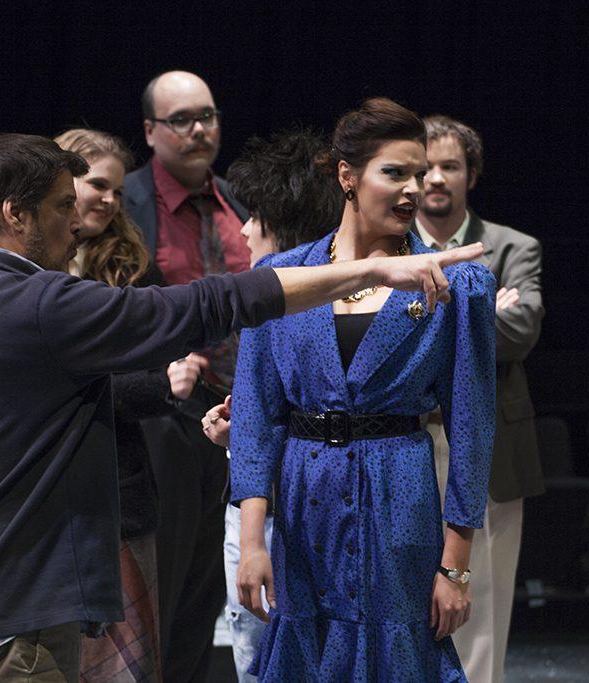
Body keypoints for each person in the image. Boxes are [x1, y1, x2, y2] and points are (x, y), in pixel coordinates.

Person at [0, 131, 484, 682]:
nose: (77, 224)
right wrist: (368, 272)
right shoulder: (41, 305)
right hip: (16, 629)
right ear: (14, 213)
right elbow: (202, 307)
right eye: (62, 207)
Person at [231, 98, 498, 681]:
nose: (414, 190)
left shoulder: (459, 283)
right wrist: (254, 542)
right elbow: (256, 415)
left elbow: (472, 431)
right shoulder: (286, 277)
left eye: (420, 174)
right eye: (394, 173)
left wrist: (455, 568)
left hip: (398, 492)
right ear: (347, 176)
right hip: (304, 505)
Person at [199, 128, 343, 681]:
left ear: (282, 227)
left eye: (255, 215)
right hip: (263, 511)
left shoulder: (301, 306)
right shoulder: (268, 303)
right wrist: (241, 435)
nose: (243, 229)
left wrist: (251, 440)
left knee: (271, 664)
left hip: (299, 514)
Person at [122, 70, 250, 681]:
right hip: (164, 419)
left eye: (208, 115)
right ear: (149, 131)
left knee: (209, 593)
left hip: (237, 418)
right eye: (181, 119)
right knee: (164, 589)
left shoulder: (238, 202)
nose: (199, 129)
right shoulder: (123, 204)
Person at [416, 114, 545, 683]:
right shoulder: (387, 248)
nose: (436, 178)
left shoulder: (513, 247)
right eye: (426, 168)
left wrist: (425, 319)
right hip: (406, 439)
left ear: (472, 175)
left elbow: (520, 333)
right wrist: (478, 312)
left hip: (490, 444)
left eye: (450, 166)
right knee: (407, 591)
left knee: (483, 600)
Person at [54, 127, 165, 682]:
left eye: (119, 192)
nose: (109, 201)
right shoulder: (25, 268)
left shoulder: (133, 267)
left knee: (126, 671)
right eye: (98, 184)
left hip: (119, 491)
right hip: (41, 504)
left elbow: (157, 384)